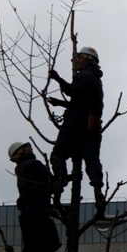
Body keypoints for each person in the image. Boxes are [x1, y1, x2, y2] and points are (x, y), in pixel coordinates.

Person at [48, 47, 104, 207]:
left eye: (78, 58)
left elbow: (74, 92)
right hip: (91, 125)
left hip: (75, 122)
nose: (75, 61)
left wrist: (58, 79)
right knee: (92, 159)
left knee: (58, 154)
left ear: (88, 59)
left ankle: (61, 179)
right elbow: (84, 102)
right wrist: (60, 103)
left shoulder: (84, 75)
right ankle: (98, 191)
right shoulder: (96, 80)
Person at [7, 142, 61, 252]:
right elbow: (51, 182)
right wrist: (65, 177)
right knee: (51, 242)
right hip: (36, 209)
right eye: (27, 147)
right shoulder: (32, 164)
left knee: (31, 244)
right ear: (21, 152)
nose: (30, 148)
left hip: (28, 211)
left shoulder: (22, 168)